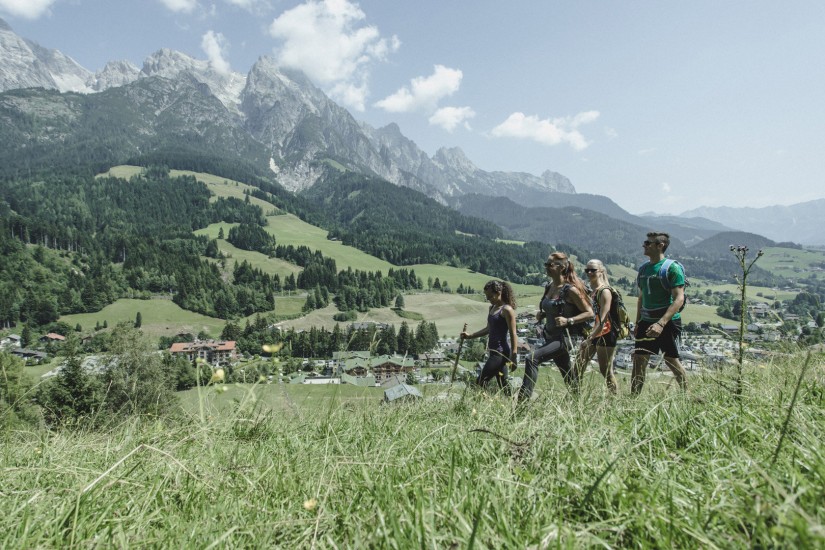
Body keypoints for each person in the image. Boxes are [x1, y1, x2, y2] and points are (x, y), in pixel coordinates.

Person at [520, 252, 594, 400]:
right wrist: (544, 315)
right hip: (551, 335)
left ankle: (522, 403)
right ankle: (578, 402)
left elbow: (589, 313)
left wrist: (569, 321)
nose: (546, 267)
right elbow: (554, 308)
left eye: (550, 265)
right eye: (546, 264)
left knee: (531, 358)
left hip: (565, 338)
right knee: (566, 371)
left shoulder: (570, 290)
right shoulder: (549, 287)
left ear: (562, 267)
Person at [632, 232, 688, 395]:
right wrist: (638, 323)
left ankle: (687, 395)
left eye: (648, 243)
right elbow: (641, 298)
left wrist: (661, 323)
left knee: (671, 360)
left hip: (666, 323)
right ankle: (632, 400)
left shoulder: (672, 268)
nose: (644, 245)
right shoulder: (643, 269)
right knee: (639, 360)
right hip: (646, 320)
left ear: (660, 245)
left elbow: (679, 299)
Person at [460, 280, 518, 394]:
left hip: (500, 353)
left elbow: (513, 333)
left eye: (490, 296)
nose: (488, 299)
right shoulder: (492, 308)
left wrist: (514, 356)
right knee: (503, 383)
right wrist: (470, 336)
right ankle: (514, 405)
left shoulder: (507, 310)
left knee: (480, 381)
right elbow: (488, 329)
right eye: (486, 296)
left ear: (499, 292)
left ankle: (484, 405)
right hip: (493, 351)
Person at [575, 259, 619, 394]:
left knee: (605, 370)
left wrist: (589, 338)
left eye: (593, 270)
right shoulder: (593, 291)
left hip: (606, 333)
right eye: (587, 270)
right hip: (594, 332)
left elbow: (604, 319)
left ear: (601, 272)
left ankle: (614, 399)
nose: (589, 273)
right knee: (578, 366)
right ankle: (575, 397)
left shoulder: (605, 291)